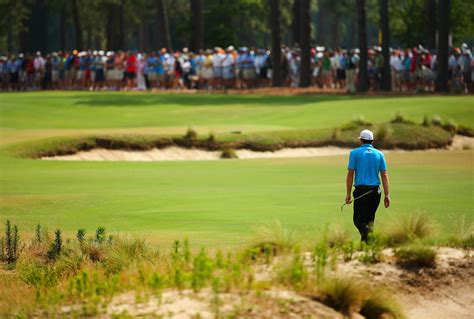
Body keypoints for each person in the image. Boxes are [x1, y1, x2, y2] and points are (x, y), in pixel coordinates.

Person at [345, 129, 390, 242]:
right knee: (369, 221)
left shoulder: (354, 153)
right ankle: (367, 249)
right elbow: (384, 175)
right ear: (372, 141)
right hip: (376, 193)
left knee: (358, 221)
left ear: (361, 140)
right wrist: (387, 195)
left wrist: (348, 194)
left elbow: (350, 174)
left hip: (361, 191)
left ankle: (372, 239)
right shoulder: (380, 154)